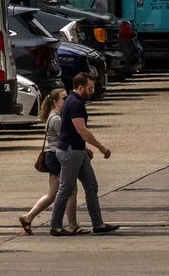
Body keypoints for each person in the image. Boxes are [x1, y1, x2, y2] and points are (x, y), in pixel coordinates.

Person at [51, 72, 118, 236]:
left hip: (78, 150)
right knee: (65, 189)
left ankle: (98, 224)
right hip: (70, 151)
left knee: (91, 186)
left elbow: (76, 130)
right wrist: (102, 147)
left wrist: (85, 149)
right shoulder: (74, 103)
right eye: (90, 88)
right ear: (80, 87)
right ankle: (56, 226)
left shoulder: (75, 101)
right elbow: (81, 129)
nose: (92, 91)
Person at [18, 90, 79, 236]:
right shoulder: (56, 119)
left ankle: (28, 217)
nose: (67, 101)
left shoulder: (56, 116)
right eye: (64, 98)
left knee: (54, 193)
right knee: (68, 190)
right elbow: (67, 137)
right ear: (55, 102)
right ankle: (72, 224)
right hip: (55, 156)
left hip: (54, 156)